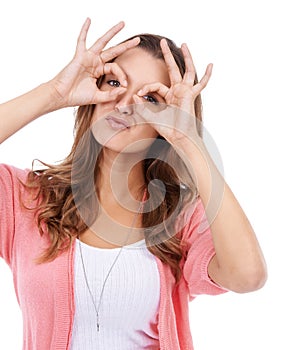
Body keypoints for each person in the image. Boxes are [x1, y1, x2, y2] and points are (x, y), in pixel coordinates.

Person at [0, 18, 267, 349]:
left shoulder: (180, 219)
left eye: (151, 99)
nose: (124, 104)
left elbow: (248, 276)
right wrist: (54, 93)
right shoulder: (27, 199)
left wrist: (190, 142)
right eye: (113, 83)